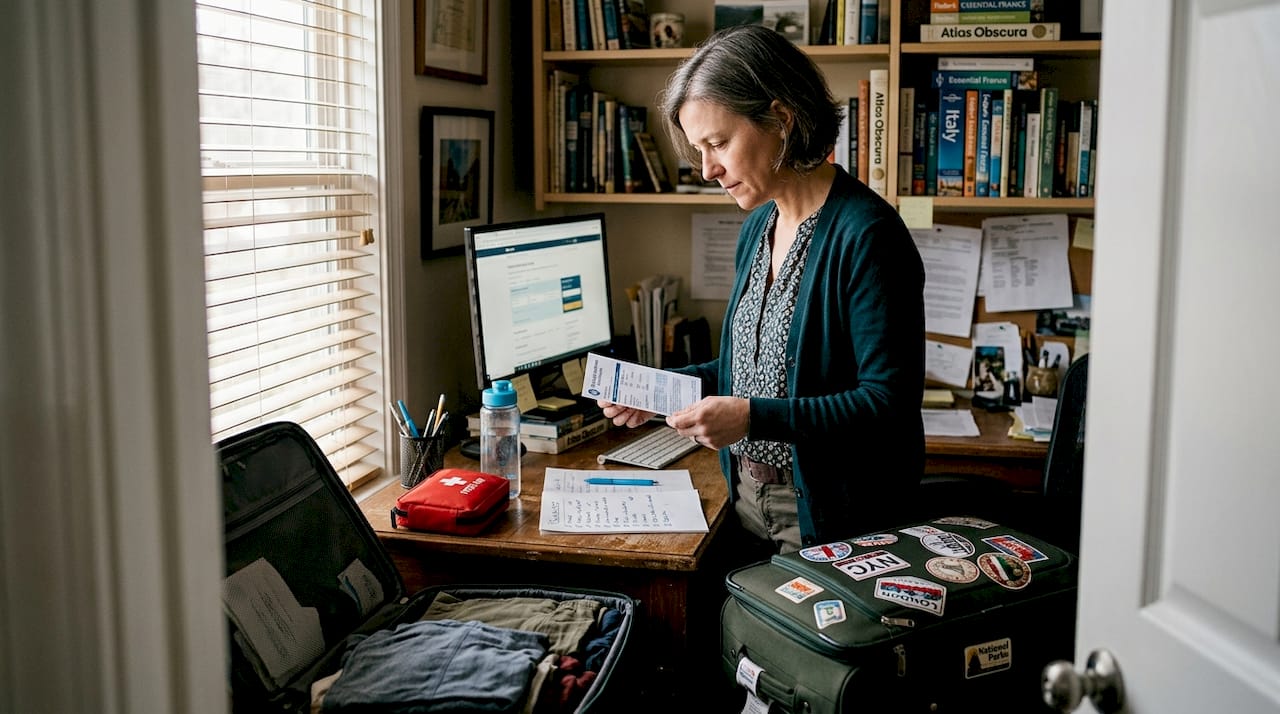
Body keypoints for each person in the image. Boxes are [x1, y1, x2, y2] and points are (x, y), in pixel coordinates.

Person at [599, 24, 925, 555]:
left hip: (836, 518)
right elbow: (746, 371)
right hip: (749, 500)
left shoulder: (868, 235)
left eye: (719, 143)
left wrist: (752, 417)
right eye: (700, 150)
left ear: (781, 118)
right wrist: (658, 389)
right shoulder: (759, 226)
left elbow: (887, 404)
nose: (708, 170)